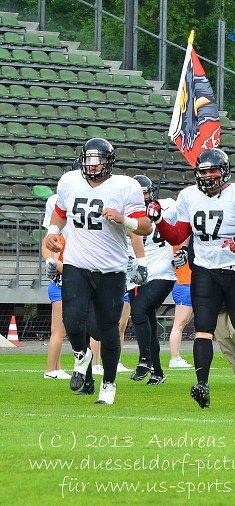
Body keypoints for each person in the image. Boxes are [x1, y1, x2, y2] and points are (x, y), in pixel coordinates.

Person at [149, 148, 235, 408]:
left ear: (224, 172)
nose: (207, 176)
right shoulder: (188, 196)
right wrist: (159, 220)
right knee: (203, 328)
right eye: (203, 172)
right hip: (204, 268)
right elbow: (176, 236)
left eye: (212, 171)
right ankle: (202, 384)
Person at [43, 138, 152, 405]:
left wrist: (123, 219)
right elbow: (60, 213)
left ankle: (109, 383)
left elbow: (146, 226)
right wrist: (53, 233)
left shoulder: (126, 186)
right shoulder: (69, 181)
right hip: (76, 263)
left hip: (111, 269)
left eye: (98, 160)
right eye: (88, 159)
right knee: (72, 320)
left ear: (109, 162)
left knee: (107, 328)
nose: (92, 165)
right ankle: (82, 355)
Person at [128, 175, 178, 385]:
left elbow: (186, 224)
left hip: (163, 272)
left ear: (151, 192)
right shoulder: (125, 212)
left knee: (138, 311)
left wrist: (183, 249)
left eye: (144, 193)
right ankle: (157, 372)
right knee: (146, 319)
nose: (141, 197)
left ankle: (144, 359)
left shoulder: (168, 207)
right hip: (136, 275)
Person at [40, 193, 70, 380]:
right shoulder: (60, 240)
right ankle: (51, 370)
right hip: (60, 285)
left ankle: (56, 368)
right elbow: (57, 264)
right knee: (59, 331)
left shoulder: (60, 240)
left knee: (57, 330)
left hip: (58, 284)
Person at [168, 242, 193, 368]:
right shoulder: (178, 245)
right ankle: (174, 357)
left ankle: (176, 357)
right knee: (179, 324)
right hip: (184, 285)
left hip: (186, 284)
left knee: (181, 324)